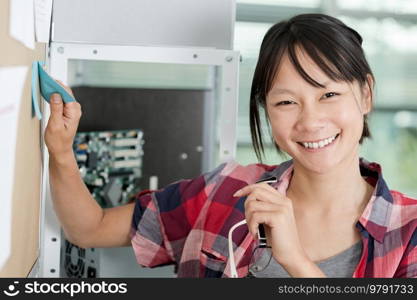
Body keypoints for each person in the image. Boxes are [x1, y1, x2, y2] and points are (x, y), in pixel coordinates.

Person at [45, 14, 417, 278]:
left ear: (366, 94)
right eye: (286, 102)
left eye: (329, 94)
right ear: (267, 112)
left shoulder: (409, 231)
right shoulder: (225, 192)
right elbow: (90, 229)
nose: (309, 121)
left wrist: (295, 261)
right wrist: (61, 152)